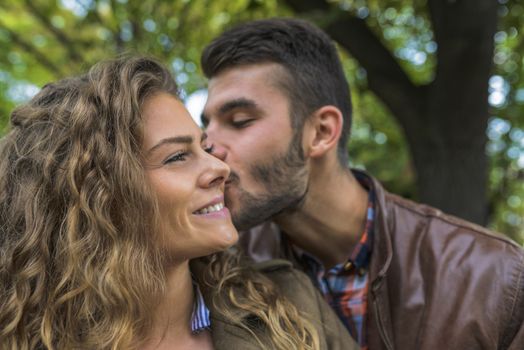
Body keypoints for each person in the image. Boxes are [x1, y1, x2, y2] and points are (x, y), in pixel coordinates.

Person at [200, 18, 524, 350]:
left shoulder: (496, 280)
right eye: (206, 126)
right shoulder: (217, 271)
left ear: (321, 132)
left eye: (239, 121)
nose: (207, 148)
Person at [0, 56, 358, 349]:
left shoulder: (292, 305)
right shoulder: (27, 336)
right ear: (98, 197)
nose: (220, 168)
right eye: (176, 157)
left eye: (203, 148)